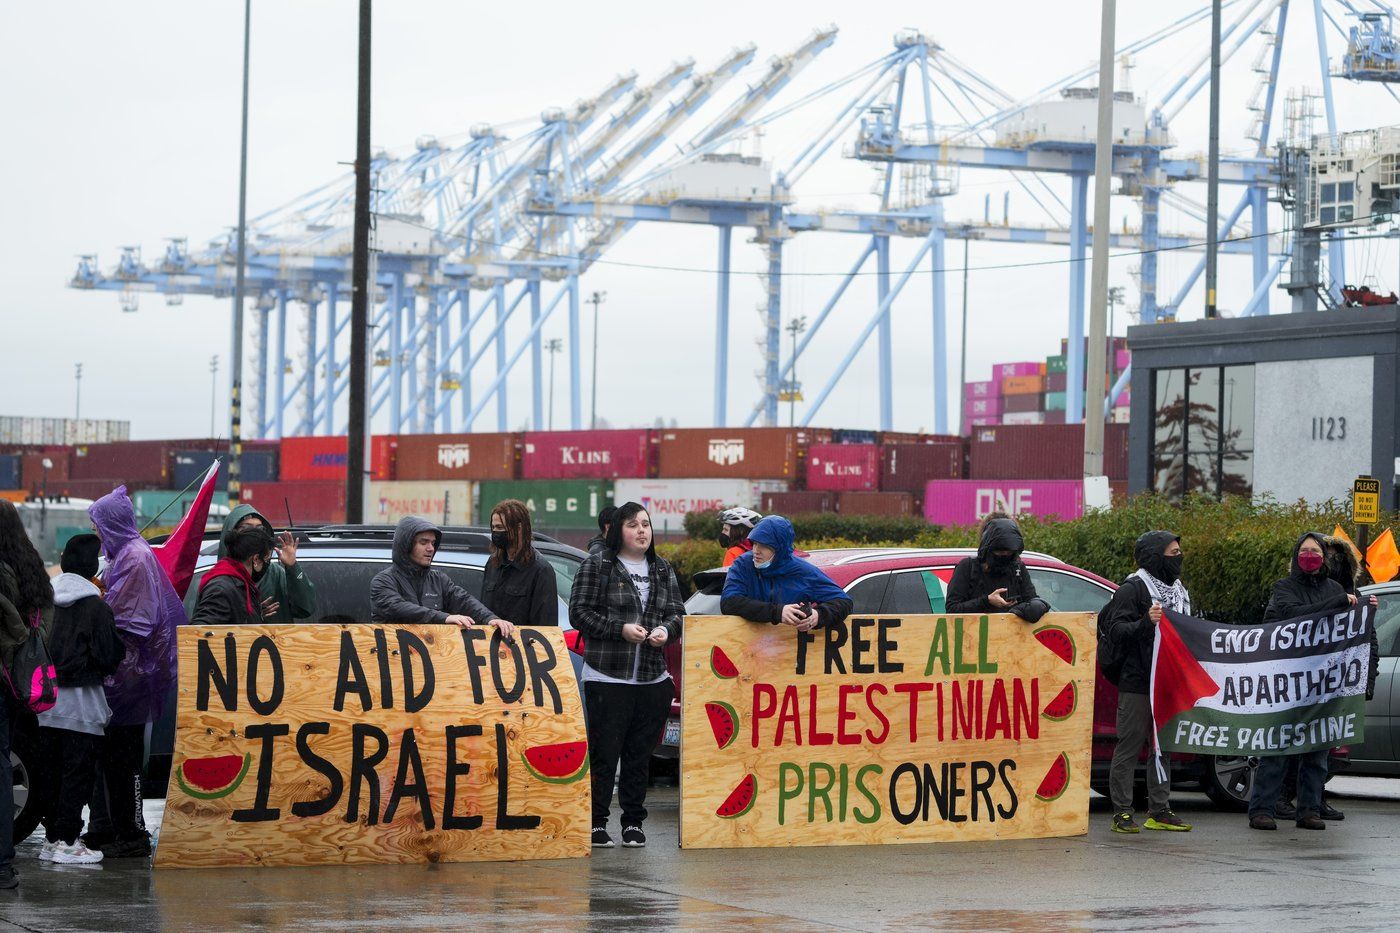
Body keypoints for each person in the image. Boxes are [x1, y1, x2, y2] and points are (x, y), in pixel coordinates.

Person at [568, 502, 684, 849]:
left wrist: (666, 630)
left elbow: (679, 613)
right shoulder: (598, 566)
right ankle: (596, 822)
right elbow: (579, 614)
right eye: (633, 525)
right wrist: (619, 629)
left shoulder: (663, 569)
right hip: (607, 676)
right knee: (604, 754)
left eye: (646, 524)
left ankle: (633, 822)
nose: (642, 531)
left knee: (639, 756)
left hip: (651, 679)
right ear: (619, 530)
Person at [83, 486, 185, 859]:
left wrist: (97, 602)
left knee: (124, 761)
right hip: (124, 676)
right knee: (113, 759)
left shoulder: (135, 558)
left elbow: (132, 620)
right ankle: (111, 828)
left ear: (110, 524)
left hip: (131, 677)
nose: (95, 533)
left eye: (97, 525)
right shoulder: (125, 554)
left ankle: (130, 833)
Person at [1249, 532, 1373, 832]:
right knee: (1276, 750)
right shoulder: (1285, 588)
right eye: (1304, 550)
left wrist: (1364, 609)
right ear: (1296, 556)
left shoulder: (1333, 587)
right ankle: (1262, 810)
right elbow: (1292, 615)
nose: (1309, 555)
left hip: (1323, 686)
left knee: (1317, 753)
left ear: (1324, 557)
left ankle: (1308, 810)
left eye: (1315, 551)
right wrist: (1336, 602)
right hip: (1289, 683)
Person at [36, 534, 124, 865]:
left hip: (46, 703)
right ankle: (69, 841)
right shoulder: (96, 607)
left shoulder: (46, 603)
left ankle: (51, 839)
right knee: (77, 775)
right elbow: (107, 656)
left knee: (51, 774)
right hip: (83, 707)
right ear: (92, 567)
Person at [1102, 530, 1193, 834]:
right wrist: (1145, 622)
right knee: (1128, 746)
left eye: (1179, 552)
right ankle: (1123, 812)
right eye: (1173, 553)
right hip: (1138, 682)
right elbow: (1116, 631)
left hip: (1167, 682)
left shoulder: (1179, 591)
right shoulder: (1133, 589)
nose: (1178, 558)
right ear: (1155, 556)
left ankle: (1160, 809)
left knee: (1161, 748)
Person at [0, 500, 55, 887]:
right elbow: (44, 622)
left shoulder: (2, 571)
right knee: (3, 767)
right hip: (19, 682)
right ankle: (3, 862)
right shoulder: (33, 567)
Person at [370, 516, 515, 640]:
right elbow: (398, 608)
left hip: (434, 665)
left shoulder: (438, 580)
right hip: (393, 664)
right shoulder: (383, 582)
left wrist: (490, 618)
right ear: (406, 545)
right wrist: (445, 618)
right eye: (423, 542)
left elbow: (463, 600)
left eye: (433, 543)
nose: (431, 548)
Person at [719, 515, 852, 632]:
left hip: (789, 653)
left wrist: (818, 615)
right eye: (754, 544)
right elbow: (729, 602)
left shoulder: (804, 572)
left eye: (764, 546)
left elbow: (844, 602)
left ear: (780, 549)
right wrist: (778, 612)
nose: (756, 551)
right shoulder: (743, 564)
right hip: (744, 649)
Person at [215, 505, 317, 621]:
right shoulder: (217, 580)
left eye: (259, 529)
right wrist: (254, 616)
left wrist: (292, 567)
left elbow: (305, 608)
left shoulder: (276, 574)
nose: (254, 534)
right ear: (232, 534)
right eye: (246, 529)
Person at [945, 513, 1047, 621]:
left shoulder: (1017, 568)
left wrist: (1033, 606)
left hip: (1012, 635)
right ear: (987, 545)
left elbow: (1031, 599)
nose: (1004, 555)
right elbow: (952, 609)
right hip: (976, 635)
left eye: (1008, 551)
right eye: (999, 551)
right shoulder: (968, 567)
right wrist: (987, 601)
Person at [482, 499, 558, 627]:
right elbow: (483, 611)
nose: (495, 532)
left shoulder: (540, 570)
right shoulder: (493, 563)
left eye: (500, 527)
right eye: (493, 527)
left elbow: (546, 625)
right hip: (491, 644)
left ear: (518, 528)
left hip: (521, 645)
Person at [192, 525, 276, 627]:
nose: (266, 564)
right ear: (256, 559)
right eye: (266, 559)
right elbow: (200, 631)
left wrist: (254, 613)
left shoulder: (239, 582)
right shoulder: (220, 589)